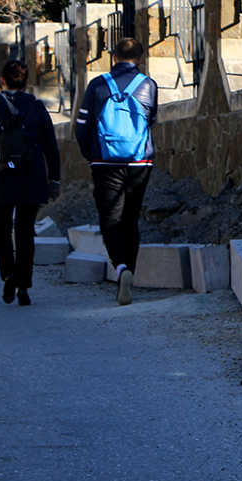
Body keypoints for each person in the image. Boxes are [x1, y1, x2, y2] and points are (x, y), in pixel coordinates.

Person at [74, 36, 157, 305]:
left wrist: (91, 154)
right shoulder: (148, 84)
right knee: (130, 218)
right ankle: (129, 271)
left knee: (110, 218)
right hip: (139, 161)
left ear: (113, 57)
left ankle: (120, 268)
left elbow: (82, 126)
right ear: (141, 59)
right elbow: (151, 119)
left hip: (105, 161)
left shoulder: (98, 85)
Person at [0, 59, 61, 306]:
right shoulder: (37, 107)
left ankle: (8, 275)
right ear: (27, 82)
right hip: (31, 178)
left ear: (2, 81)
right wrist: (54, 179)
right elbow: (51, 148)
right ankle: (23, 287)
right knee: (24, 232)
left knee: (0, 230)